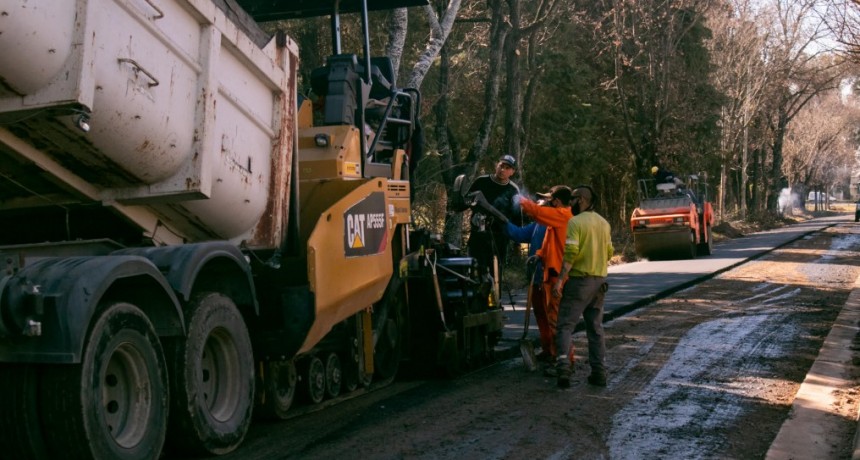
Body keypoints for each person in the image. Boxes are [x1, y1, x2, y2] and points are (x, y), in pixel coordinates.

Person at [552, 185, 614, 389]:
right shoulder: (604, 223)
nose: (569, 203)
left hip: (579, 282)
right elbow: (609, 253)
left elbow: (571, 254)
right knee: (595, 328)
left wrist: (560, 281)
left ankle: (563, 370)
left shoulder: (575, 222)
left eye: (572, 199)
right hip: (599, 282)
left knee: (564, 326)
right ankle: (599, 373)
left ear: (580, 200)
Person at [515, 186, 575, 371]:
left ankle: (563, 361)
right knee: (553, 319)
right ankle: (556, 355)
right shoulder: (557, 220)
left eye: (550, 199)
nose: (548, 202)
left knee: (557, 321)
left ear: (557, 201)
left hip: (558, 275)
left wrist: (520, 200)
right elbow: (549, 243)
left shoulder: (562, 215)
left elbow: (538, 212)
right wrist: (539, 255)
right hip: (552, 274)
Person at [466, 155, 521, 277]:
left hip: (500, 236)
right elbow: (467, 200)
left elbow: (517, 216)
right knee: (474, 269)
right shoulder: (481, 181)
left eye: (507, 168)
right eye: (501, 166)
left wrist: (517, 242)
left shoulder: (513, 189)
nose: (503, 170)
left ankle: (496, 289)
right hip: (478, 233)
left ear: (512, 172)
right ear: (497, 165)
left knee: (496, 271)